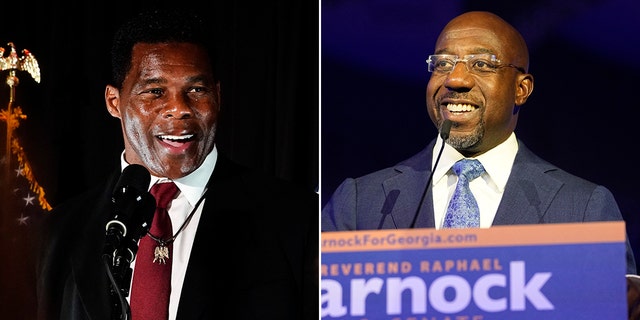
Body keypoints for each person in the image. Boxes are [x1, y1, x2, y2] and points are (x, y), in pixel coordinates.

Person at [36, 8, 318, 320]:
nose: (178, 109)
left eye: (196, 90)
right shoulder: (60, 231)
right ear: (114, 102)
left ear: (218, 97)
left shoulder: (297, 219)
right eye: (155, 92)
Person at [321, 10, 636, 275]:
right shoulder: (361, 202)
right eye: (442, 64)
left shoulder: (583, 207)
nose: (455, 79)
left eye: (482, 64)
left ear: (521, 89)